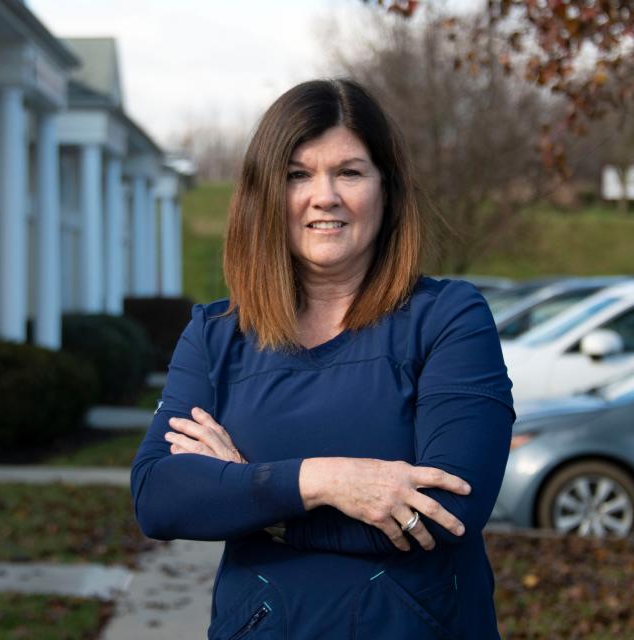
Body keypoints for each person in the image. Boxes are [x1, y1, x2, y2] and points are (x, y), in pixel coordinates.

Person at [130, 78, 514, 639]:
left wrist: (255, 498)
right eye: (297, 175)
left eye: (350, 172)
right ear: (265, 195)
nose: (324, 195)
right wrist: (323, 481)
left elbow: (444, 512)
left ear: (386, 190)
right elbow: (160, 498)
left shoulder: (447, 317)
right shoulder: (215, 337)